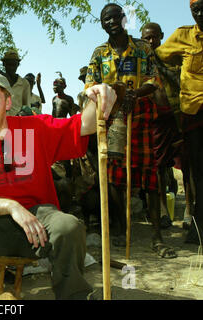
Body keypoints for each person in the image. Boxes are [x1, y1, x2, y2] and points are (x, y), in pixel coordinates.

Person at [0, 70, 117, 300]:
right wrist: (11, 207)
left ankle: (75, 295)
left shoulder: (34, 128)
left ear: (8, 102)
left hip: (39, 223)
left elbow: (84, 126)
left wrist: (97, 97)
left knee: (69, 226)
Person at [85, 3, 174, 257]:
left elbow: (153, 80)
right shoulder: (99, 53)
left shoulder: (143, 49)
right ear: (102, 24)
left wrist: (134, 94)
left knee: (151, 174)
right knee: (115, 176)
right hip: (112, 117)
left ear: (124, 20)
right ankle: (124, 230)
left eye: (115, 17)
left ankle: (157, 237)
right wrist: (110, 93)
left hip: (141, 113)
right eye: (106, 19)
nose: (111, 22)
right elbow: (90, 84)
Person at [156, 0, 203, 244]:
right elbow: (161, 56)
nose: (201, 13)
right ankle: (198, 228)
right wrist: (179, 73)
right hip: (194, 115)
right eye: (196, 10)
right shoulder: (183, 36)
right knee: (197, 173)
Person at [141, 22, 184, 230]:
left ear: (161, 36)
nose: (151, 42)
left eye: (154, 37)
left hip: (176, 116)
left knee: (187, 165)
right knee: (156, 168)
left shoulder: (172, 58)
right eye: (146, 38)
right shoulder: (140, 62)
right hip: (153, 120)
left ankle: (190, 214)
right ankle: (162, 212)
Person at [1, 49, 32, 116]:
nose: (11, 68)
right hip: (0, 120)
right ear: (4, 64)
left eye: (14, 65)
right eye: (9, 64)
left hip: (18, 121)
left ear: (18, 64)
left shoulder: (24, 84)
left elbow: (27, 106)